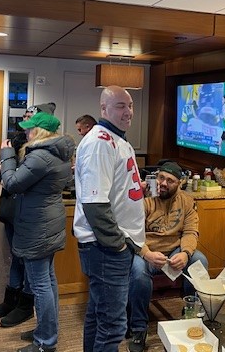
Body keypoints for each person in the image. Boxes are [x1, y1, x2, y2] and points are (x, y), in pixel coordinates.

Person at [73, 85, 146, 352]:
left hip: (111, 248)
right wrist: (119, 246)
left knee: (98, 315)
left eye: (130, 105)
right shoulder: (100, 143)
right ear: (103, 108)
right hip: (106, 249)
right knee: (113, 326)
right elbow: (95, 205)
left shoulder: (117, 139)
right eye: (120, 106)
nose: (128, 112)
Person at [0, 112, 75, 352]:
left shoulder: (40, 156)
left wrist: (7, 156)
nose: (26, 132)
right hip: (48, 222)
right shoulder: (58, 154)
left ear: (40, 131)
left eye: (30, 128)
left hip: (37, 225)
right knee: (48, 281)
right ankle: (46, 330)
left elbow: (12, 184)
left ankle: (45, 342)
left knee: (40, 284)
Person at [127, 161, 209, 352]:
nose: (163, 183)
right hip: (146, 251)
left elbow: (190, 232)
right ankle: (138, 328)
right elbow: (132, 232)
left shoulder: (187, 201)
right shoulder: (144, 198)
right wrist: (147, 254)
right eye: (161, 178)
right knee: (138, 272)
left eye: (170, 180)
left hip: (174, 250)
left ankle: (191, 315)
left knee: (200, 261)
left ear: (179, 183)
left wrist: (185, 253)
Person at [0, 106, 38, 328]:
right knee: (15, 255)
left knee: (28, 260)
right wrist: (1, 173)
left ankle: (25, 305)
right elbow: (8, 182)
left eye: (31, 118)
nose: (26, 122)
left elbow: (21, 182)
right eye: (24, 117)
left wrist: (6, 173)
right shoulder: (16, 142)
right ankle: (11, 300)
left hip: (28, 212)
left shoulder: (39, 149)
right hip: (11, 207)